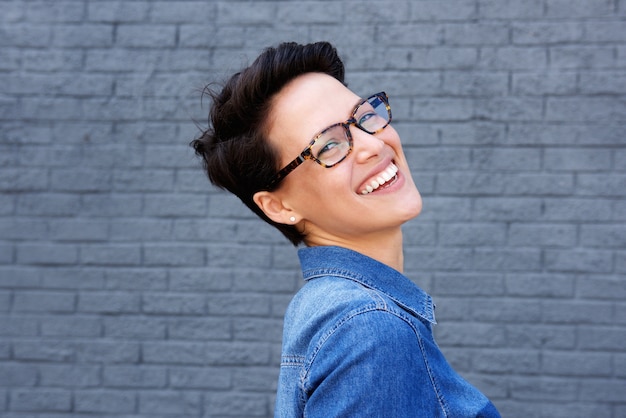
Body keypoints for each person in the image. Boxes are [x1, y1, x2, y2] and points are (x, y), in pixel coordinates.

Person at [191, 41, 501, 417]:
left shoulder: (327, 307)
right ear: (280, 206)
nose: (372, 144)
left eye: (364, 117)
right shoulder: (369, 327)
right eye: (329, 145)